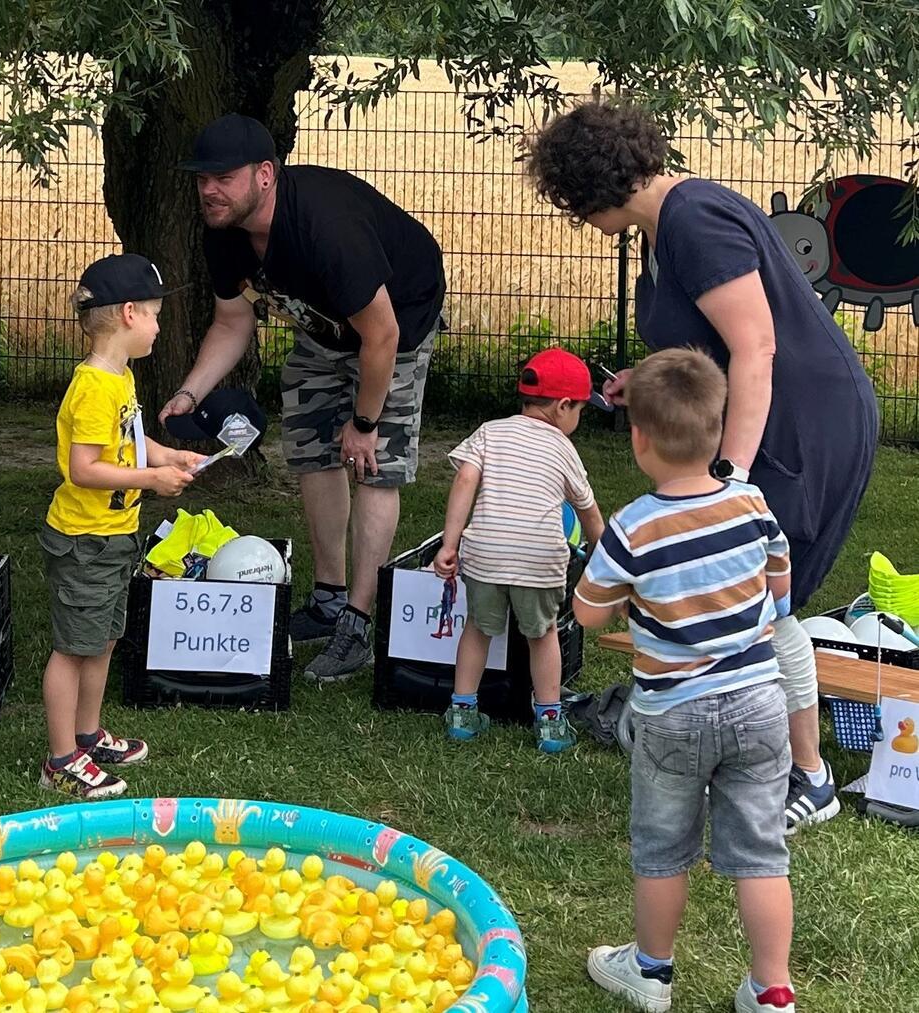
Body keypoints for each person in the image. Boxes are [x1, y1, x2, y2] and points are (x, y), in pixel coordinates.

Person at [526, 99, 878, 832]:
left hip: (802, 423)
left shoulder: (692, 220)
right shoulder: (666, 229)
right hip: (774, 416)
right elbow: (709, 340)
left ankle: (808, 778)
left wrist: (734, 479)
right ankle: (766, 762)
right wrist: (643, 376)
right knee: (753, 602)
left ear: (590, 185)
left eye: (567, 197)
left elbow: (756, 348)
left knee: (760, 603)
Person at [161, 113, 446, 682]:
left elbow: (382, 335)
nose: (208, 190)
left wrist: (365, 423)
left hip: (396, 328)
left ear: (265, 175)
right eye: (201, 179)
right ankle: (329, 600)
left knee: (375, 465)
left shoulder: (325, 226)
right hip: (323, 330)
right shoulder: (224, 231)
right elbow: (231, 321)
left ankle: (358, 627)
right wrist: (191, 392)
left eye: (223, 177)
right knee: (312, 452)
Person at [573, 349, 796, 1013]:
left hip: (672, 714)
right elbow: (780, 582)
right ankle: (772, 989)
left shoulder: (632, 528)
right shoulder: (751, 502)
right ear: (717, 427)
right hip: (760, 703)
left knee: (662, 847)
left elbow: (587, 611)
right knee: (762, 852)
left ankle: (651, 971)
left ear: (639, 438)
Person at [39, 254, 205, 799]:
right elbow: (82, 468)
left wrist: (169, 456)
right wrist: (152, 479)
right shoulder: (93, 388)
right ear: (130, 314)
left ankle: (87, 737)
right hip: (84, 541)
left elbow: (130, 440)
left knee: (103, 639)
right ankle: (61, 759)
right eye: (156, 315)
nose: (160, 326)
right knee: (72, 648)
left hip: (114, 538)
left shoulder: (121, 379)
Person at [432, 348, 605, 753]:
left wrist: (449, 543)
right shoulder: (564, 449)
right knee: (543, 634)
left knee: (477, 627)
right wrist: (606, 558)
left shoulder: (490, 432)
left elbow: (464, 483)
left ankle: (462, 713)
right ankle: (549, 721)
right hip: (539, 559)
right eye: (580, 409)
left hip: (486, 553)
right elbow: (589, 514)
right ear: (563, 406)